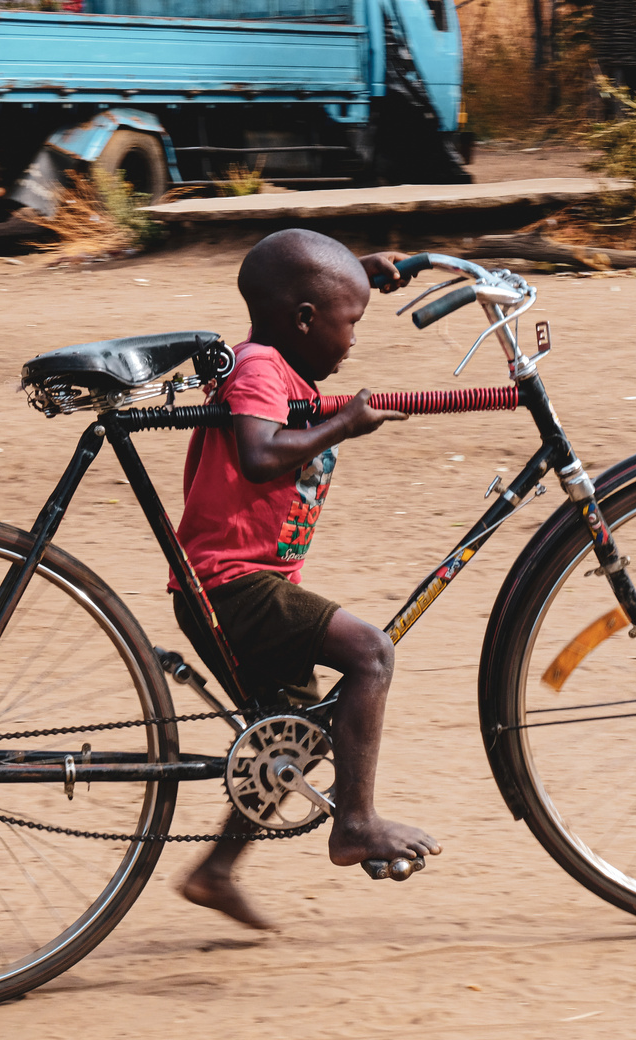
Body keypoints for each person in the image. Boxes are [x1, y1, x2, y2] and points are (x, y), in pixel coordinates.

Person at [168, 228, 441, 930]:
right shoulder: (259, 367)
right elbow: (259, 455)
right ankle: (354, 824)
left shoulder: (280, 355)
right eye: (347, 323)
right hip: (231, 586)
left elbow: (313, 283)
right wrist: (344, 423)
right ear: (302, 320)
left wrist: (357, 275)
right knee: (370, 653)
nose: (353, 339)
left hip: (236, 586)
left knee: (302, 734)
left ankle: (215, 871)